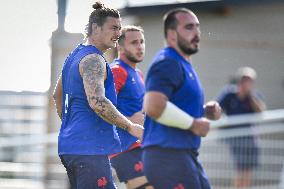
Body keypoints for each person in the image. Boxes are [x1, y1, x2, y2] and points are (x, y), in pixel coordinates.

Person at [52, 2, 143, 189]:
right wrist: (130, 126)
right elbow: (97, 101)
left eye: (119, 28)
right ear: (95, 27)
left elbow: (57, 95)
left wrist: (73, 126)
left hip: (73, 147)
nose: (118, 33)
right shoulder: (94, 59)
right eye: (113, 28)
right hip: (89, 149)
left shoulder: (74, 55)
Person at [142, 8, 222, 189]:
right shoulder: (168, 62)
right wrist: (194, 124)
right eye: (189, 28)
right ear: (171, 34)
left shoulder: (182, 63)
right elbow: (154, 106)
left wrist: (203, 111)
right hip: (168, 157)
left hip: (184, 156)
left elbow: (174, 105)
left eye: (197, 27)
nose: (196, 33)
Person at [109, 25, 153, 189]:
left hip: (140, 145)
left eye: (142, 42)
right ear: (120, 46)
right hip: (124, 148)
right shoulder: (117, 71)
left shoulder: (138, 74)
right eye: (134, 42)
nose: (140, 46)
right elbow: (97, 108)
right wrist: (128, 120)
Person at [217, 67, 266, 188]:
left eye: (249, 80)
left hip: (250, 137)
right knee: (240, 169)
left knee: (248, 169)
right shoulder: (229, 94)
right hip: (235, 138)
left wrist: (250, 95)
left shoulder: (254, 96)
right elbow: (218, 109)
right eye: (244, 80)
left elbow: (261, 111)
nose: (246, 83)